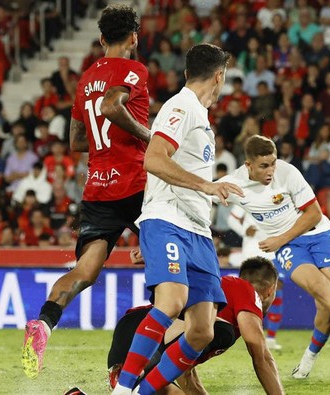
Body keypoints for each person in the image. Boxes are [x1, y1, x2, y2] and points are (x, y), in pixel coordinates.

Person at [22, 5, 152, 379]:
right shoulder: (134, 70)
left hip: (98, 186)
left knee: (84, 270)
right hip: (137, 184)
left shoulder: (86, 79)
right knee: (165, 263)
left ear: (100, 39)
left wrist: (103, 144)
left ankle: (44, 323)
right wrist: (149, 136)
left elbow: (77, 139)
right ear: (133, 38)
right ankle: (157, 355)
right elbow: (113, 105)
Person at [112, 44, 244, 395]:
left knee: (203, 330)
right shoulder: (181, 106)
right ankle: (122, 391)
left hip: (197, 232)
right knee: (170, 303)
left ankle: (143, 392)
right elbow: (154, 159)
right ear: (219, 77)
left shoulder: (200, 115)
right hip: (168, 220)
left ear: (188, 72)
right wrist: (206, 185)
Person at [220, 135, 330, 379]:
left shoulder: (287, 172)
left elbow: (313, 214)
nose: (271, 170)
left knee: (328, 308)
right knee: (320, 290)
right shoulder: (233, 184)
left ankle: (307, 360)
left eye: (273, 162)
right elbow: (199, 193)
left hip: (321, 235)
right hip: (291, 246)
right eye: (264, 165)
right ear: (248, 165)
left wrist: (278, 240)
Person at [108, 257, 284, 395]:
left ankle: (123, 380)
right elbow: (262, 358)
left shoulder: (216, 291)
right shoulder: (245, 289)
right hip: (153, 336)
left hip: (135, 333)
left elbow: (182, 368)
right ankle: (134, 375)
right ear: (270, 289)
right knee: (224, 332)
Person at [228, 204, 285, 351]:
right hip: (252, 249)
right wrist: (244, 230)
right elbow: (231, 219)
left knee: (276, 290)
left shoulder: (280, 195)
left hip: (274, 250)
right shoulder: (246, 194)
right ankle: (248, 332)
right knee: (248, 293)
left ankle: (271, 337)